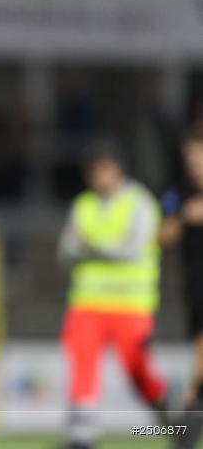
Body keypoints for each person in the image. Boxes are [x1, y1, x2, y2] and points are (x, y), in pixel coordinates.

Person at [58, 141, 169, 449]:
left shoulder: (140, 203)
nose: (99, 177)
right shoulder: (83, 204)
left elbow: (133, 249)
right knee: (82, 368)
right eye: (94, 171)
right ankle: (81, 438)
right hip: (87, 302)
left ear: (118, 170)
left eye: (104, 169)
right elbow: (65, 251)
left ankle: (173, 418)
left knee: (139, 373)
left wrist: (91, 246)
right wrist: (95, 248)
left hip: (130, 304)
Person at [161, 126, 203, 449]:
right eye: (191, 161)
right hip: (196, 287)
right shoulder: (178, 191)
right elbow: (163, 236)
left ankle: (186, 433)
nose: (195, 167)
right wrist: (183, 218)